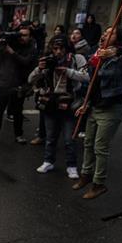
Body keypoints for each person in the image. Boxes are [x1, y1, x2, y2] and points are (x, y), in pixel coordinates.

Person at [73, 27, 122, 199]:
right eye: (105, 33)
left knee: (100, 147)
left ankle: (98, 184)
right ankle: (85, 175)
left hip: (111, 108)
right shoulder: (96, 54)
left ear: (118, 38)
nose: (105, 35)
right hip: (95, 106)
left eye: (110, 33)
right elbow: (93, 84)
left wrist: (116, 51)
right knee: (88, 143)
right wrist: (86, 104)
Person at [28, 35, 88, 178]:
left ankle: (72, 165)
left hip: (69, 104)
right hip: (50, 104)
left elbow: (86, 77)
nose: (58, 52)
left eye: (62, 48)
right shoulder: (48, 60)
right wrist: (40, 69)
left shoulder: (76, 59)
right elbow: (30, 79)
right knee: (50, 137)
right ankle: (48, 161)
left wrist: (67, 71)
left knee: (69, 139)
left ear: (67, 49)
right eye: (55, 49)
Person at [0, 25, 36, 143]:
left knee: (17, 112)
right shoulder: (8, 44)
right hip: (4, 83)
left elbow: (26, 62)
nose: (21, 37)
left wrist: (12, 52)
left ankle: (19, 135)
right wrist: (0, 49)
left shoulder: (30, 48)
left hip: (18, 84)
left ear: (30, 37)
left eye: (25, 35)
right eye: (20, 34)